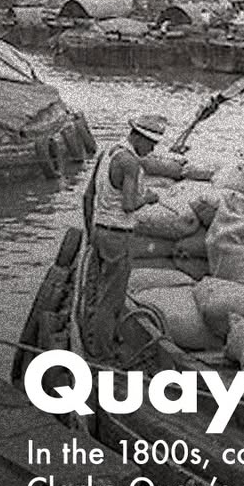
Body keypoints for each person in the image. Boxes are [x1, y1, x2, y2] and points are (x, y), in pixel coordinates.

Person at [83, 114, 164, 362]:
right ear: (138, 137)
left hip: (100, 230)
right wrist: (148, 198)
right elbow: (129, 205)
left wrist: (90, 234)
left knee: (96, 291)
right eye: (150, 143)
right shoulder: (130, 163)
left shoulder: (107, 153)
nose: (151, 150)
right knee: (112, 299)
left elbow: (88, 196)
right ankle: (103, 356)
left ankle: (91, 339)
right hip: (118, 235)